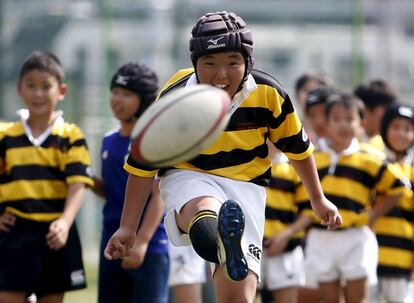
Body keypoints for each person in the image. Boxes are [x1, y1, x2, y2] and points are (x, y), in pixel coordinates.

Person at [104, 11, 341, 303]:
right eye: (209, 63)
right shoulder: (175, 96)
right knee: (206, 207)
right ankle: (214, 228)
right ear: (195, 64)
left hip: (248, 186)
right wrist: (129, 226)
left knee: (238, 297)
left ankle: (226, 243)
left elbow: (299, 150)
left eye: (233, 62)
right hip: (189, 173)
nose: (221, 74)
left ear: (248, 62)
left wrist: (318, 199)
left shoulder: (269, 94)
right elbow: (142, 165)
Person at [0, 50, 93, 303]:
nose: (38, 93)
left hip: (55, 234)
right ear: (19, 89)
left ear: (61, 91)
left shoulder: (70, 136)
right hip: (14, 235)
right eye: (31, 86)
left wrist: (64, 221)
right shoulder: (5, 136)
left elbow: (78, 183)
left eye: (45, 86)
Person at [297, 92, 407, 303]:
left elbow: (398, 188)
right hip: (321, 237)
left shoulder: (370, 158)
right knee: (329, 300)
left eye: (350, 119)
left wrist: (371, 215)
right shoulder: (313, 156)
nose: (343, 125)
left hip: (356, 237)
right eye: (336, 119)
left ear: (361, 124)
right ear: (326, 124)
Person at [91, 62, 169, 303]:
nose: (117, 100)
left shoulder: (153, 141)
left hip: (150, 247)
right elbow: (112, 191)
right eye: (114, 92)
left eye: (126, 94)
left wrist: (143, 241)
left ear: (145, 100)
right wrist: (84, 179)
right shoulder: (108, 141)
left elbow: (159, 195)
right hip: (111, 244)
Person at [370, 103, 414, 303]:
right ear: (385, 129)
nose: (401, 134)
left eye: (407, 129)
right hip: (368, 256)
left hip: (401, 259)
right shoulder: (373, 164)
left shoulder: (412, 172)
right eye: (396, 127)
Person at [259, 142, 312, 303]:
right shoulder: (244, 166)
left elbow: (309, 213)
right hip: (247, 246)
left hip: (286, 249)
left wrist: (286, 235)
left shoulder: (293, 169)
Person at [354, 79, 398, 150]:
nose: (390, 116)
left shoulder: (392, 145)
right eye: (386, 109)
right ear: (366, 110)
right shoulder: (346, 141)